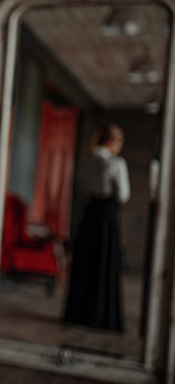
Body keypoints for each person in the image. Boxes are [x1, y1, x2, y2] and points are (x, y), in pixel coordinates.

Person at [63, 121, 130, 331]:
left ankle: (78, 314)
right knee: (104, 262)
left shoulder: (85, 162)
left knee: (85, 262)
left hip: (90, 213)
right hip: (107, 216)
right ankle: (102, 318)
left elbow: (81, 189)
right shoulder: (116, 164)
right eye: (119, 141)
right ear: (111, 141)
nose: (120, 146)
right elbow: (123, 195)